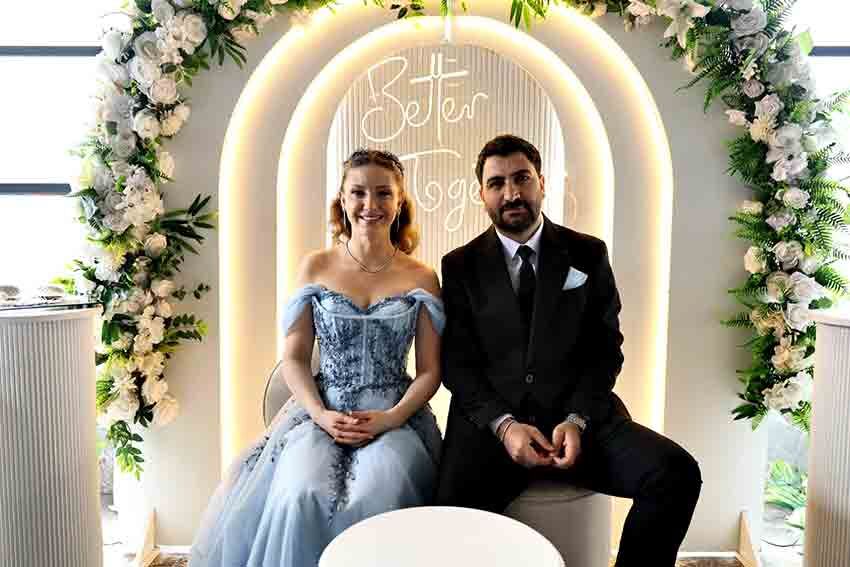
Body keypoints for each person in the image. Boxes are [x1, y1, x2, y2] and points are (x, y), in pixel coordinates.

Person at [435, 135, 702, 566]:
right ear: (481, 194)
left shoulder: (588, 253)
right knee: (448, 528)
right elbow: (457, 364)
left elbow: (605, 350)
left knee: (676, 472)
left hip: (581, 422)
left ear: (541, 182)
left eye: (522, 178)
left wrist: (577, 419)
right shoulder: (458, 265)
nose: (511, 193)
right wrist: (505, 427)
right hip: (491, 432)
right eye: (497, 183)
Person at [190, 149, 444, 567]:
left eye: (383, 193)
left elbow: (430, 371)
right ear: (342, 199)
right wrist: (321, 415)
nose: (370, 204)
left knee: (380, 492)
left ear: (400, 201)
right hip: (321, 410)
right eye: (358, 192)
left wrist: (391, 417)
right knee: (300, 493)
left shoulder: (422, 277)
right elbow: (294, 358)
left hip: (393, 414)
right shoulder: (316, 267)